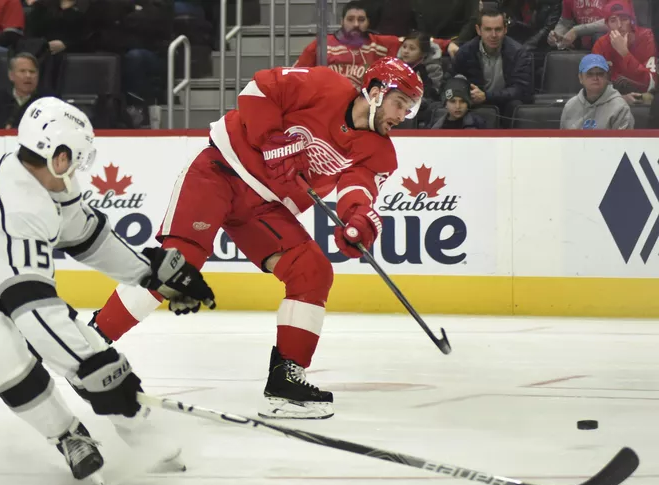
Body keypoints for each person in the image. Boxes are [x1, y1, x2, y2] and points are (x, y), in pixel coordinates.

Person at [0, 97, 215, 485]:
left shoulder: (41, 177)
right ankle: (67, 435)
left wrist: (149, 274)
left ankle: (138, 429)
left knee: (81, 341)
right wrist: (90, 368)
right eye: (78, 160)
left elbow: (85, 236)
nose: (78, 170)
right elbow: (33, 313)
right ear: (59, 157)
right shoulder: (16, 209)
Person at [91, 58, 424, 421]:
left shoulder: (381, 152)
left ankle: (286, 380)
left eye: (409, 108)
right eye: (399, 103)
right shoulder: (325, 85)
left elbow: (356, 189)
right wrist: (271, 139)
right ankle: (90, 343)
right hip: (221, 170)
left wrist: (357, 219)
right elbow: (259, 89)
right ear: (375, 93)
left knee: (312, 271)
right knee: (180, 264)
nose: (403, 115)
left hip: (265, 208)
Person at [294, 1, 456, 92]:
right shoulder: (322, 45)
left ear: (368, 22)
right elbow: (296, 75)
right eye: (351, 19)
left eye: (361, 19)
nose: (356, 24)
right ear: (342, 21)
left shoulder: (379, 44)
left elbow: (416, 41)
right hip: (327, 105)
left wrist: (448, 45)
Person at [450, 6, 534, 127]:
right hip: (475, 105)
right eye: (488, 29)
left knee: (515, 104)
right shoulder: (465, 52)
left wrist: (486, 96)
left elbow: (522, 90)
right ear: (479, 30)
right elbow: (449, 82)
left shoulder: (519, 53)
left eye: (498, 29)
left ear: (505, 29)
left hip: (507, 106)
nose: (493, 35)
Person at [591, 1, 656, 94]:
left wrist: (624, 53)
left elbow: (651, 84)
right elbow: (594, 85)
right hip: (613, 102)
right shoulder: (601, 45)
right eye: (613, 20)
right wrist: (620, 99)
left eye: (624, 19)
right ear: (607, 25)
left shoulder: (649, 39)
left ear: (632, 22)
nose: (619, 25)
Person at [560, 53, 634, 129]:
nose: (595, 78)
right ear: (580, 78)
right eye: (590, 74)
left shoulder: (620, 107)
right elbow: (563, 139)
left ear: (607, 77)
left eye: (600, 74)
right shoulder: (570, 106)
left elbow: (623, 140)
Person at [0, 52, 44, 128]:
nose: (28, 76)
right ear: (11, 75)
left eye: (32, 72)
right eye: (22, 71)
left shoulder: (46, 102)